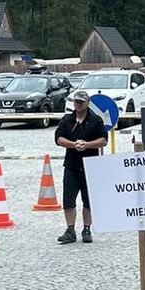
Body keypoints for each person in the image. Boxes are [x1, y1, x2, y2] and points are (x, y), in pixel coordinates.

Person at [53, 89, 107, 244]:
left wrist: (87, 145)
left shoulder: (96, 120)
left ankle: (87, 229)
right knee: (68, 199)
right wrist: (73, 145)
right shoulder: (67, 120)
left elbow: (103, 140)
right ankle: (70, 230)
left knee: (88, 200)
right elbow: (58, 138)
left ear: (88, 103)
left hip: (91, 165)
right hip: (71, 164)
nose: (78, 105)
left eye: (81, 102)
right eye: (76, 102)